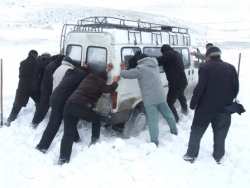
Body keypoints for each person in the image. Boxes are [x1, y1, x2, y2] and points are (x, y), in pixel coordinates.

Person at [183, 46, 239, 164]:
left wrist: (193, 103)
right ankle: (218, 156)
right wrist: (228, 100)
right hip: (225, 108)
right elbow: (236, 88)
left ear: (208, 57)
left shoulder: (205, 68)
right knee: (220, 131)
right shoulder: (231, 67)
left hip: (206, 108)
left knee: (197, 130)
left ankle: (191, 155)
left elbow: (200, 88)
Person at [58, 63, 120, 165]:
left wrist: (106, 70)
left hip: (68, 105)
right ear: (104, 79)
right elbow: (109, 89)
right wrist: (115, 82)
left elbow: (102, 74)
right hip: (80, 105)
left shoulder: (89, 76)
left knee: (67, 134)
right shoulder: (101, 82)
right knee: (96, 119)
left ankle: (63, 159)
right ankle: (94, 141)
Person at [120, 54, 177, 146]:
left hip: (150, 99)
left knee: (152, 120)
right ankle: (174, 132)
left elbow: (126, 74)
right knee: (168, 114)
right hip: (160, 95)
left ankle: (154, 141)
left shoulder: (141, 69)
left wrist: (122, 69)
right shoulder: (155, 65)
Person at [36, 63, 88, 153]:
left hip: (55, 98)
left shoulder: (70, 73)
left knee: (68, 119)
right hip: (60, 101)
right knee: (54, 124)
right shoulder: (80, 77)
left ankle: (76, 138)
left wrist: (83, 67)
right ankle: (42, 146)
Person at [5, 50, 41, 126]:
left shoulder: (22, 62)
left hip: (22, 85)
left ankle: (10, 120)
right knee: (39, 101)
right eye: (36, 56)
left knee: (18, 103)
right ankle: (37, 120)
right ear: (34, 56)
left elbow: (20, 75)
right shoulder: (37, 62)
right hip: (32, 85)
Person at [30, 55, 65, 128]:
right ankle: (35, 122)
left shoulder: (54, 64)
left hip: (46, 88)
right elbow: (53, 79)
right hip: (47, 90)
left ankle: (35, 121)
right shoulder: (53, 67)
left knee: (43, 106)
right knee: (43, 107)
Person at [156, 44, 188, 123]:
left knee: (169, 102)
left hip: (175, 82)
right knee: (181, 95)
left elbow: (157, 62)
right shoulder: (177, 54)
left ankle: (175, 120)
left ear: (164, 52)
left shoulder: (168, 55)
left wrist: (147, 59)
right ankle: (185, 111)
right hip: (183, 80)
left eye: (163, 53)